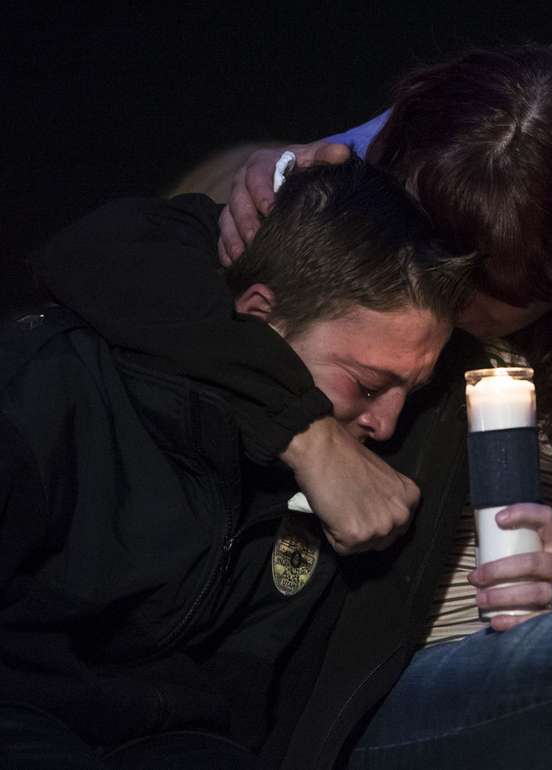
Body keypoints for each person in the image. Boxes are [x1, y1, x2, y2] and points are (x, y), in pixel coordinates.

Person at [34, 46, 552, 769]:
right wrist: (306, 427)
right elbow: (110, 252)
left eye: (486, 283)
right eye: (436, 250)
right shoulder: (384, 318)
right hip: (404, 692)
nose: (445, 289)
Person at [0, 159, 455, 768]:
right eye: (368, 386)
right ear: (259, 318)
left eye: (411, 393)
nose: (387, 424)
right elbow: (121, 239)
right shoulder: (52, 389)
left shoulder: (333, 489)